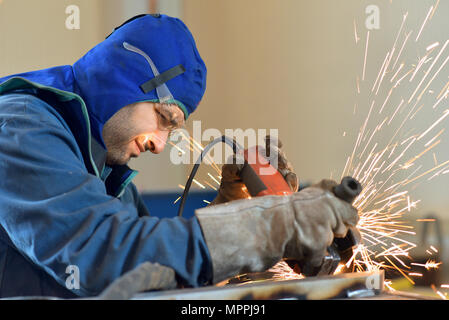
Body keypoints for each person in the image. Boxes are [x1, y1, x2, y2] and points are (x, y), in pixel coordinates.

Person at [0, 14, 358, 298]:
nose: (159, 144)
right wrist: (267, 227)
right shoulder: (22, 128)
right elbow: (100, 254)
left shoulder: (105, 169)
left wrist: (233, 209)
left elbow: (153, 273)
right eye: (162, 119)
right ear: (122, 80)